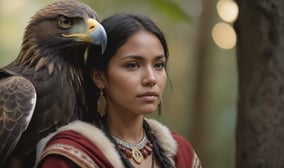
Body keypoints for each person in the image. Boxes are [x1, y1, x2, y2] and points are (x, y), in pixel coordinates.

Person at [35, 13, 202, 168]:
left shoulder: (181, 153)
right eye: (133, 65)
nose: (151, 78)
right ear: (99, 77)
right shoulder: (68, 157)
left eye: (159, 65)